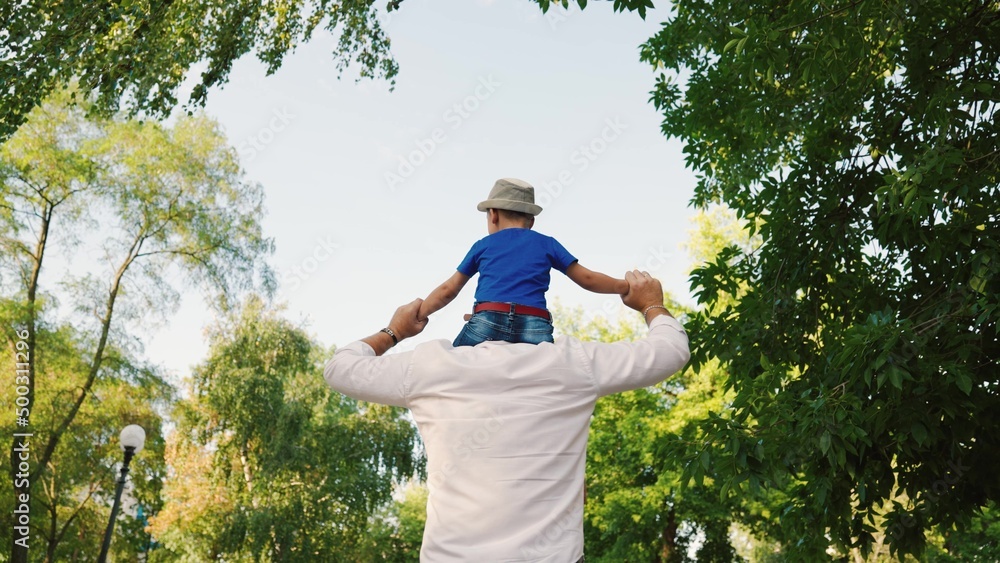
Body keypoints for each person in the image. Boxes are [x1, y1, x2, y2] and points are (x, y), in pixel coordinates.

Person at [325, 270, 690, 562]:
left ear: (475, 317)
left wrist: (395, 331)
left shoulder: (431, 365)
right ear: (542, 317)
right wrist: (651, 305)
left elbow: (340, 369)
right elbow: (670, 350)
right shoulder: (572, 364)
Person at [417, 178, 629, 347]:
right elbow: (588, 278)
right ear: (532, 221)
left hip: (488, 319)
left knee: (452, 369)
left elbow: (448, 289)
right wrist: (625, 287)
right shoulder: (547, 244)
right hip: (535, 326)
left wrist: (419, 313)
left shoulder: (483, 245)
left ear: (493, 215)